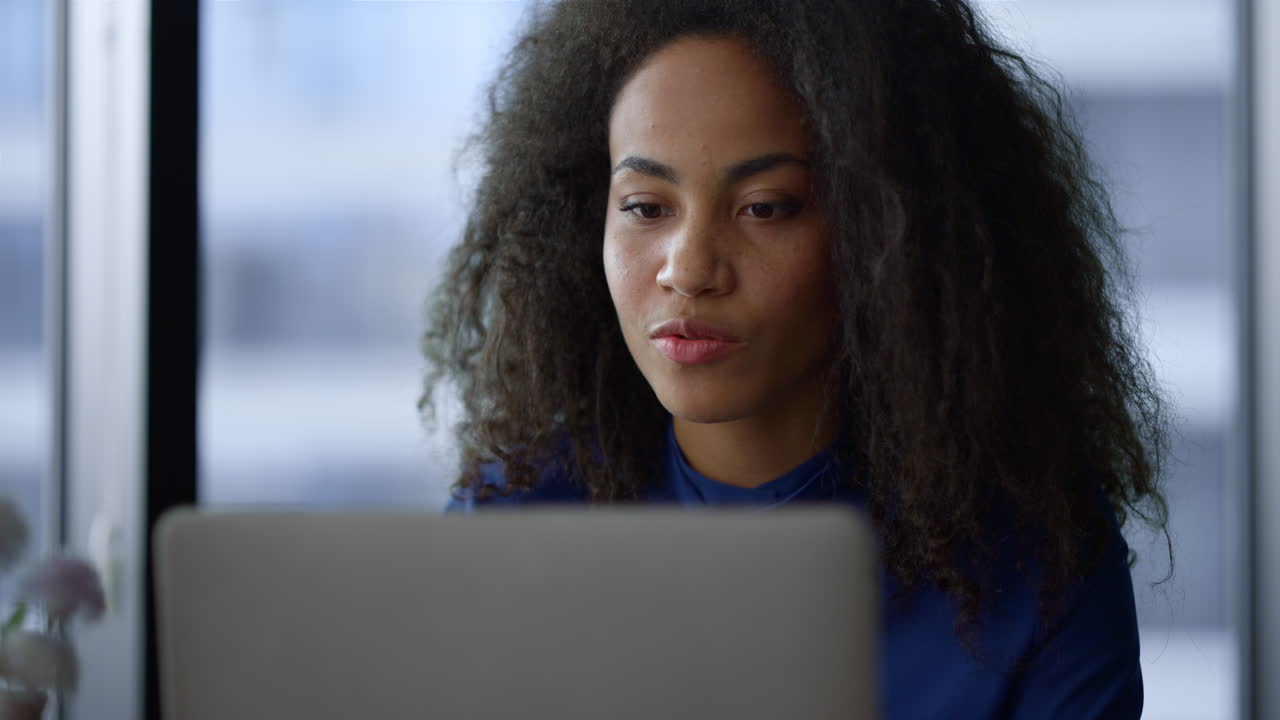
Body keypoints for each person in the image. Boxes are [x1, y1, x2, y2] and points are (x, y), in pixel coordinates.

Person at [420, 0, 1171, 717]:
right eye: (646, 207)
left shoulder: (1032, 554)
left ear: (890, 236)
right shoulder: (513, 521)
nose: (689, 268)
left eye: (766, 207)